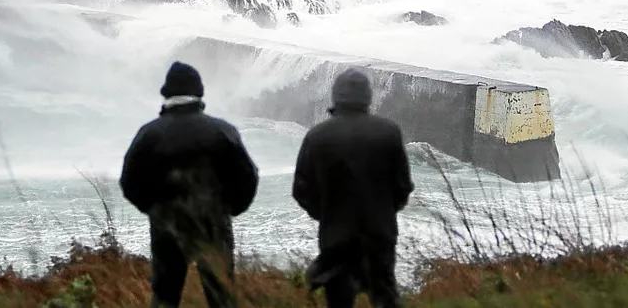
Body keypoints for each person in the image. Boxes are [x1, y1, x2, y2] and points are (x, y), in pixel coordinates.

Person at [120, 61, 259, 308]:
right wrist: (229, 209)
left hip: (167, 226)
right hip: (213, 224)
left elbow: (129, 181)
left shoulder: (149, 134)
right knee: (221, 297)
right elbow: (248, 176)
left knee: (165, 297)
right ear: (199, 93)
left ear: (167, 94)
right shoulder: (222, 131)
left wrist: (154, 208)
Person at [292, 68, 414, 308]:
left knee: (339, 300)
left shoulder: (317, 136)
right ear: (368, 97)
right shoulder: (388, 132)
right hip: (379, 233)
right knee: (384, 296)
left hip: (336, 236)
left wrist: (325, 213)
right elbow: (402, 186)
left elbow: (302, 190)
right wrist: (384, 211)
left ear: (336, 96)